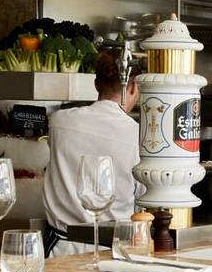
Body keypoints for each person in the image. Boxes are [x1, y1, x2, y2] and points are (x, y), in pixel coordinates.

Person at [43, 48, 142, 256]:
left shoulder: (59, 121)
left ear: (96, 84)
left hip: (61, 250)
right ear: (133, 87)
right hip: (115, 251)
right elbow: (143, 196)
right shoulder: (138, 135)